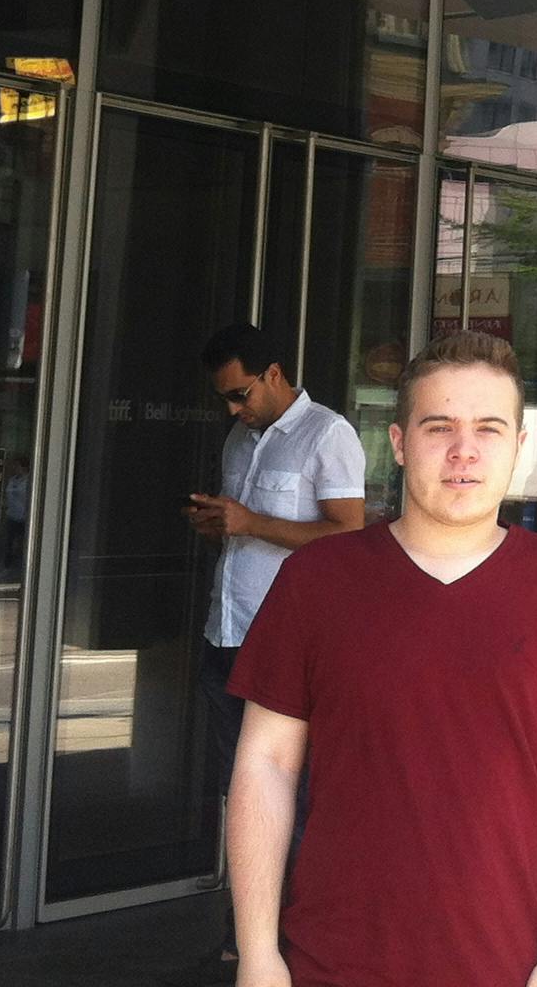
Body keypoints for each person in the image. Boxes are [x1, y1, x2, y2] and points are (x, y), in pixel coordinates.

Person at [226, 329, 537, 987]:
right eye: (439, 426)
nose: (464, 451)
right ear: (399, 444)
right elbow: (265, 764)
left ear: (520, 447)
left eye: (490, 429)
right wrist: (258, 953)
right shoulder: (317, 580)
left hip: (505, 961)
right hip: (332, 959)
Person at [181, 323, 366, 982]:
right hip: (226, 638)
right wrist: (219, 526)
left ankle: (303, 940)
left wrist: (250, 522)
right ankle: (247, 941)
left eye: (240, 393)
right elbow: (245, 539)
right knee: (242, 799)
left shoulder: (328, 434)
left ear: (275, 373)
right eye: (225, 399)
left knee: (297, 797)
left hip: (291, 652)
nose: (234, 409)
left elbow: (349, 538)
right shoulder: (241, 439)